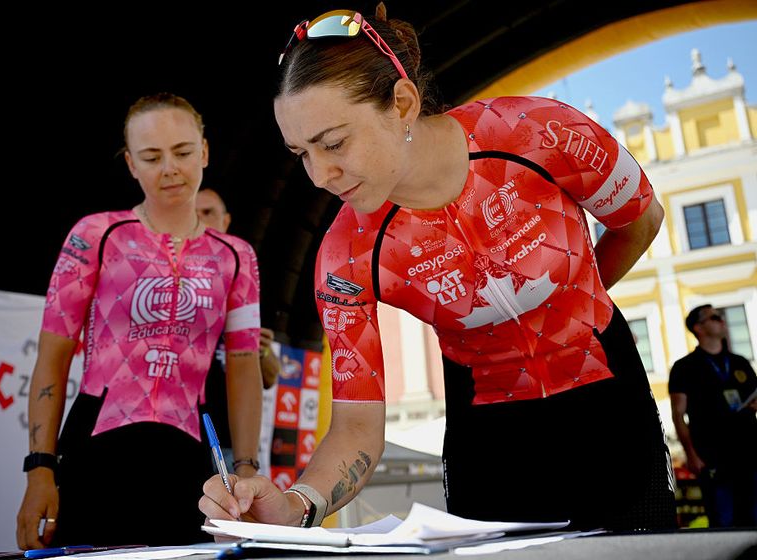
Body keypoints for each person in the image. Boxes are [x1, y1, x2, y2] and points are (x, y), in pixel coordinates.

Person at [200, 5, 676, 532]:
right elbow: (357, 426)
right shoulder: (346, 253)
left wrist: (577, 300)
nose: (319, 175)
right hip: (489, 437)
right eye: (301, 153)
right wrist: (296, 505)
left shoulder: (538, 132)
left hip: (607, 400)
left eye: (333, 143)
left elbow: (641, 219)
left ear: (402, 104)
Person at [16, 93, 264, 549]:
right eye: (151, 157)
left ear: (205, 152)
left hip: (190, 458)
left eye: (183, 152)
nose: (169, 168)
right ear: (131, 164)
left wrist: (246, 472)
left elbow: (245, 368)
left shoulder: (236, 256)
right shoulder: (94, 235)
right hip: (97, 449)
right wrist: (40, 468)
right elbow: (52, 358)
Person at [198, 187, 281, 470]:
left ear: (226, 221)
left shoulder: (244, 278)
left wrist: (261, 351)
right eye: (193, 214)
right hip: (181, 439)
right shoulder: (169, 276)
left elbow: (270, 376)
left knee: (231, 511)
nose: (201, 220)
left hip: (232, 445)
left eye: (208, 212)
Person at [669, 305, 757, 527]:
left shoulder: (740, 362)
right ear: (699, 327)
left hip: (748, 452)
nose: (722, 320)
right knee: (724, 522)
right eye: (715, 317)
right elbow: (678, 414)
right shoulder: (684, 367)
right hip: (712, 457)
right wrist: (691, 454)